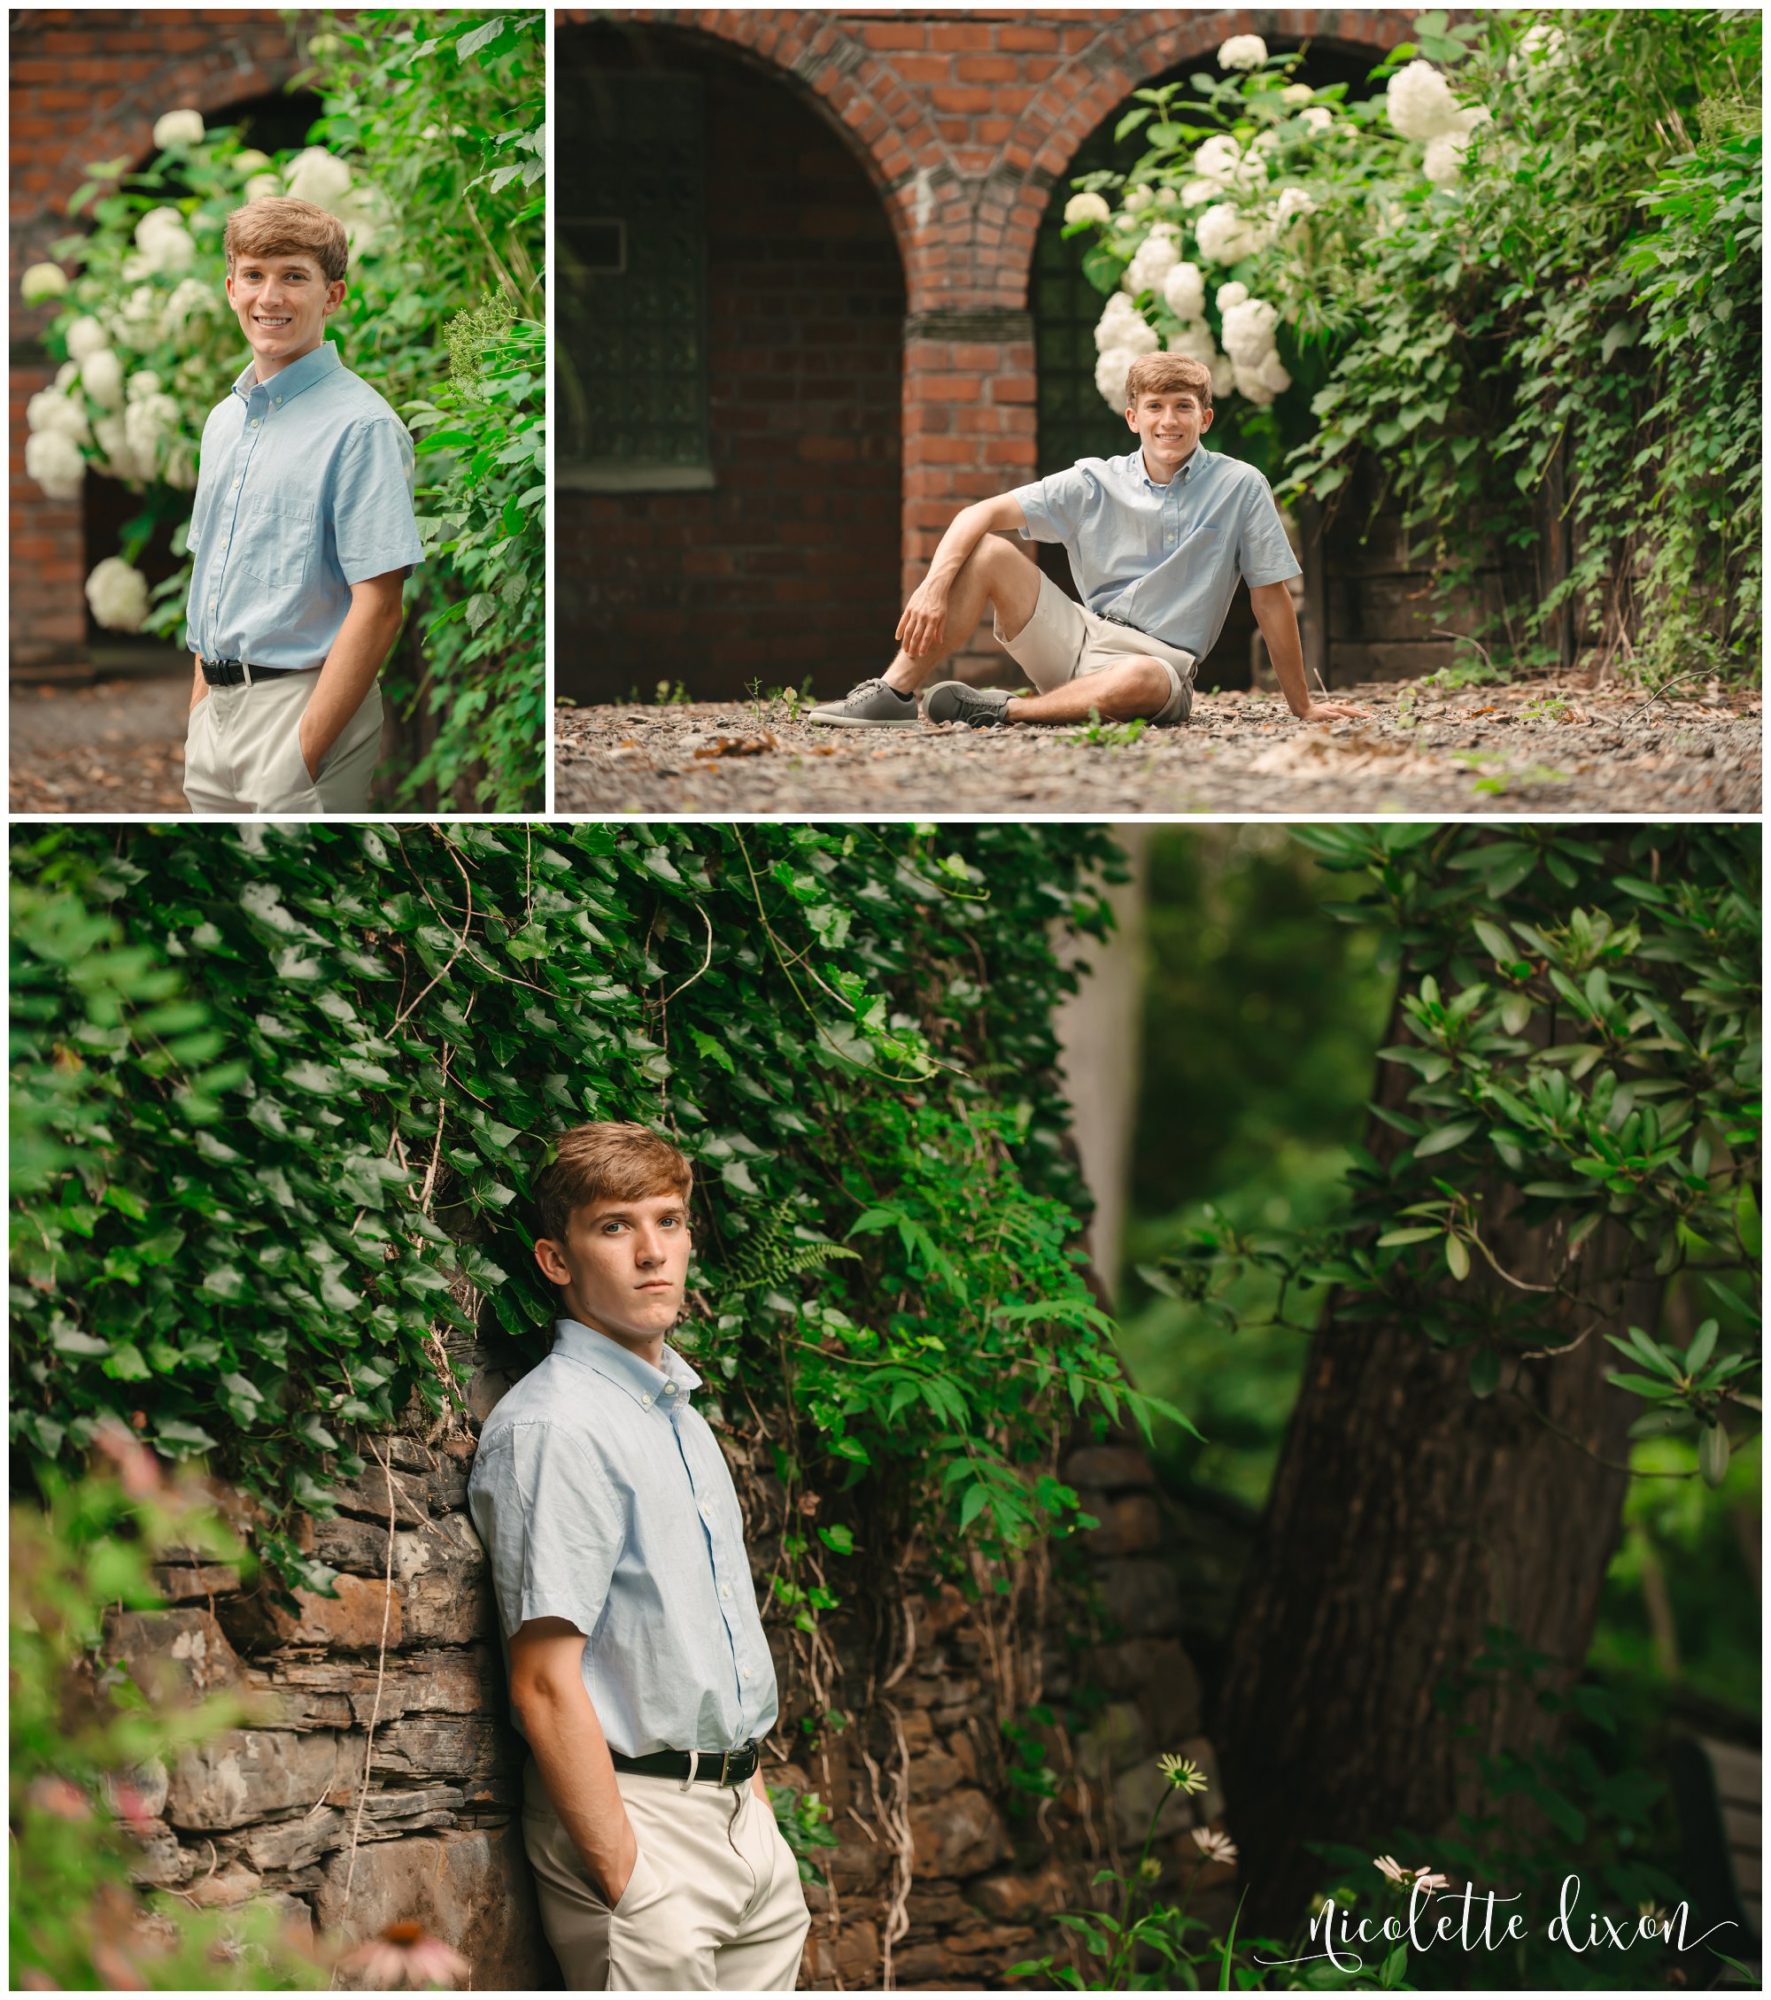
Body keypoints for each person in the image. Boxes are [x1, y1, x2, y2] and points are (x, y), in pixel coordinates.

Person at [467, 1123, 811, 1991]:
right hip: (643, 1833)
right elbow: (545, 1683)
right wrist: (628, 1881)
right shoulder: (556, 1427)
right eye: (615, 1227)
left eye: (670, 1220)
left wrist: (754, 1810)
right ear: (556, 1259)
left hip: (743, 1826)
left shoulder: (677, 1414)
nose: (652, 1252)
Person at [809, 353, 1369, 731]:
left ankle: (1009, 711)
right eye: (1155, 406)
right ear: (1133, 417)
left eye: (1183, 407)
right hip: (1076, 638)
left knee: (1148, 678)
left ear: (1205, 417)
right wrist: (932, 586)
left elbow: (1270, 597)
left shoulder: (1241, 486)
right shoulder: (1093, 480)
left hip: (1157, 666)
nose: (1168, 421)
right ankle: (895, 693)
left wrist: (1302, 706)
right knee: (987, 551)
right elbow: (978, 512)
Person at [182, 196, 423, 814]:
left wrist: (302, 750)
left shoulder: (361, 427)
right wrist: (199, 716)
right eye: (256, 276)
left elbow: (380, 605)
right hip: (216, 717)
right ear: (231, 287)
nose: (271, 298)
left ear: (333, 295)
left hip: (302, 709)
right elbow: (212, 580)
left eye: (294, 276)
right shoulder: (224, 422)